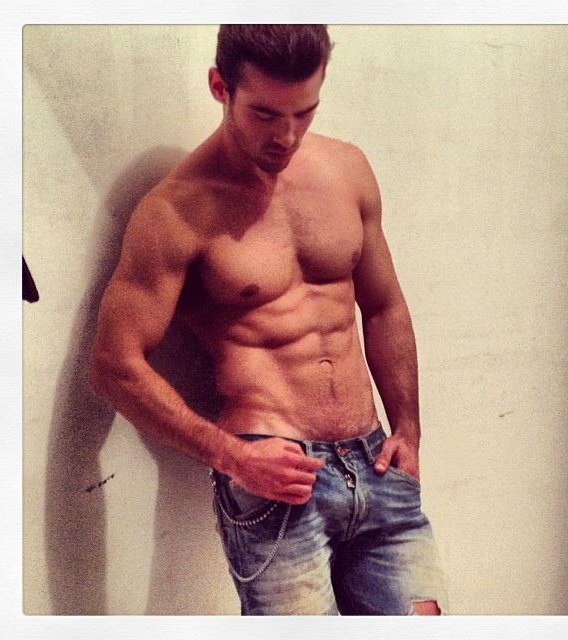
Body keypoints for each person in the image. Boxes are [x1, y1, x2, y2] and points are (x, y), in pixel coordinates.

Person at [91, 24, 447, 615]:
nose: (286, 136)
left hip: (375, 458)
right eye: (264, 114)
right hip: (272, 478)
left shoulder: (347, 168)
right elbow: (113, 366)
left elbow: (384, 306)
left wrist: (407, 428)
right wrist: (232, 456)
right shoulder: (177, 211)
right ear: (219, 87)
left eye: (304, 113)